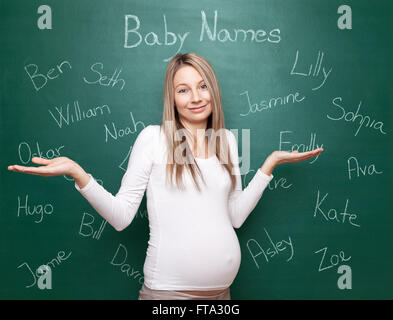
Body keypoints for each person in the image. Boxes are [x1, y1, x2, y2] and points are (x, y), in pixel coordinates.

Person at [8, 52, 323, 300]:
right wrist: (79, 174)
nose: (196, 97)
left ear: (213, 89)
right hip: (168, 295)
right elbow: (121, 216)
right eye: (183, 90)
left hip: (221, 295)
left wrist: (269, 165)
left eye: (202, 86)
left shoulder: (225, 139)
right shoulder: (154, 138)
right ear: (172, 98)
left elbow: (235, 216)